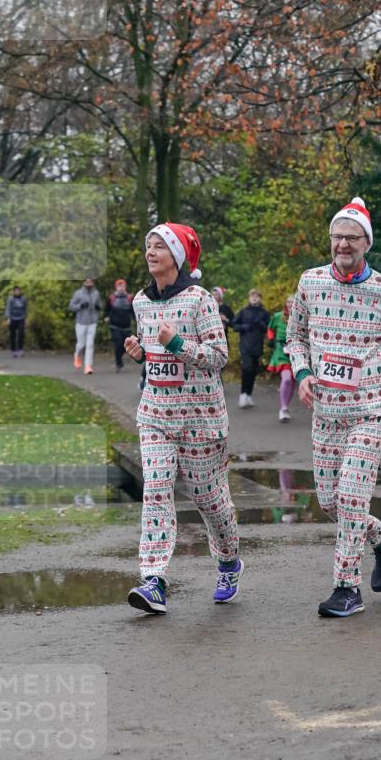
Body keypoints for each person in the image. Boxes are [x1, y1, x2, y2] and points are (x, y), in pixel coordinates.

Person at [286, 196, 381, 618]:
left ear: (367, 243)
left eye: (351, 238)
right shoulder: (309, 282)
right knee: (330, 501)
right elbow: (295, 337)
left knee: (350, 496)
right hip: (326, 411)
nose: (342, 244)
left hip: (370, 408)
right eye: (337, 237)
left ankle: (347, 587)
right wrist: (302, 372)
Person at [124, 221, 243, 612]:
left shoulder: (199, 300)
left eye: (159, 246)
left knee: (210, 501)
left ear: (176, 256)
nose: (150, 252)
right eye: (148, 246)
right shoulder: (140, 301)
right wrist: (141, 351)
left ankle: (228, 560)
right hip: (155, 414)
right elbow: (152, 349)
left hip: (201, 420)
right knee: (156, 490)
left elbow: (219, 357)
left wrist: (176, 343)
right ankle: (153, 580)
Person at [232, 289, 270, 408]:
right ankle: (243, 394)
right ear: (249, 298)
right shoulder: (243, 311)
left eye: (257, 296)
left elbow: (269, 329)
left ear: (260, 298)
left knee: (253, 371)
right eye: (252, 296)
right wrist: (244, 326)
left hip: (257, 345)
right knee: (246, 368)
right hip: (245, 345)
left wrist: (261, 324)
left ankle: (248, 395)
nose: (254, 298)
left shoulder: (264, 312)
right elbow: (234, 325)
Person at [267, 294, 296, 421]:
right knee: (287, 379)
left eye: (293, 302)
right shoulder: (278, 316)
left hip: (296, 351)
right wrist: (270, 339)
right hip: (281, 350)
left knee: (293, 382)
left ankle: (285, 407)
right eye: (289, 302)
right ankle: (283, 409)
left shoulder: (300, 316)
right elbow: (270, 328)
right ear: (286, 303)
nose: (290, 304)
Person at [68, 277, 100, 374]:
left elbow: (99, 305)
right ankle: (77, 355)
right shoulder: (78, 293)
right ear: (84, 282)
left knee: (90, 345)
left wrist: (98, 308)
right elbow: (71, 306)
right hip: (81, 322)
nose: (89, 283)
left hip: (92, 322)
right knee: (81, 344)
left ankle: (88, 366)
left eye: (91, 281)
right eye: (87, 281)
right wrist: (80, 306)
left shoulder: (96, 293)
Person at [105, 278, 134, 371]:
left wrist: (136, 319)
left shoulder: (130, 298)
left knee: (125, 346)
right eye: (119, 286)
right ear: (116, 287)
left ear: (125, 287)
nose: (121, 288)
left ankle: (119, 360)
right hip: (115, 326)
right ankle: (118, 363)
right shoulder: (111, 298)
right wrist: (106, 317)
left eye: (123, 286)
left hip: (126, 326)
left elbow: (133, 311)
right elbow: (107, 309)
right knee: (117, 344)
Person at [5, 285, 27, 356]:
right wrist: (8, 318)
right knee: (13, 335)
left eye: (18, 291)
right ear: (13, 292)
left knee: (21, 334)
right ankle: (14, 350)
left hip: (21, 318)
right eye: (16, 291)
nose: (17, 292)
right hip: (12, 318)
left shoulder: (23, 299)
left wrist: (26, 318)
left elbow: (25, 309)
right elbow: (8, 308)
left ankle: (20, 349)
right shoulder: (11, 299)